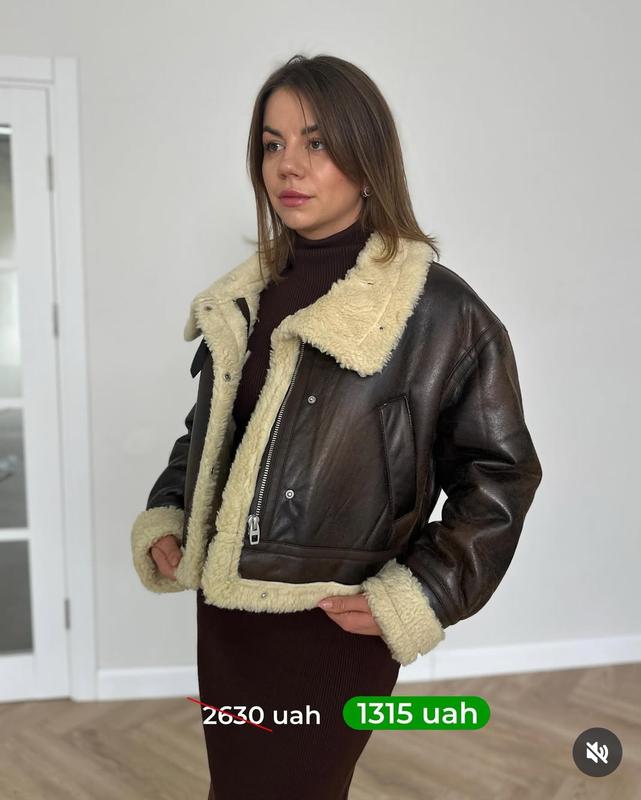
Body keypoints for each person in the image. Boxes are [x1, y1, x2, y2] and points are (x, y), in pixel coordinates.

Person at [130, 53, 543, 800]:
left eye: (316, 142)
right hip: (226, 617)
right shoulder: (245, 299)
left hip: (332, 623)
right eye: (272, 143)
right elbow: (211, 433)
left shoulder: (440, 312)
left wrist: (422, 592)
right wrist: (171, 511)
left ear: (366, 155)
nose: (288, 165)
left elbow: (501, 475)